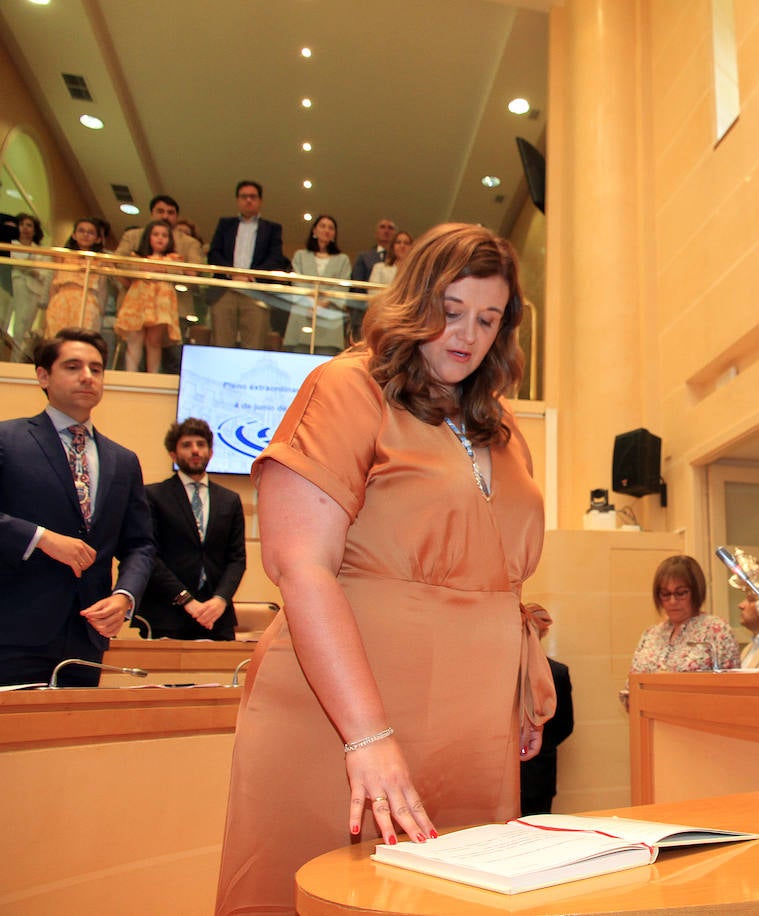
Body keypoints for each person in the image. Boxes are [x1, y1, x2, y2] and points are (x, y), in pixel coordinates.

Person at [215, 223, 554, 913]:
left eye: (488, 320)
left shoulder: (503, 424)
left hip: (470, 725)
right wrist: (366, 736)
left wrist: (523, 677)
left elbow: (502, 580)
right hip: (344, 712)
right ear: (414, 299)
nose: (467, 335)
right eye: (451, 310)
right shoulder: (348, 387)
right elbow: (301, 565)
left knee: (456, 895)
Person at [0, 328, 155, 687]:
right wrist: (40, 538)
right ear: (43, 375)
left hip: (88, 635)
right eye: (73, 366)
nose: (88, 376)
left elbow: (140, 545)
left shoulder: (123, 460)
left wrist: (124, 596)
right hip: (13, 629)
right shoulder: (8, 441)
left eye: (96, 369)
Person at [142, 418, 246, 641]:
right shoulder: (153, 496)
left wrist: (220, 600)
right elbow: (150, 556)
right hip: (167, 614)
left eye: (201, 444)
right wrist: (186, 600)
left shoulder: (230, 500)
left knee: (223, 677)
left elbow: (237, 559)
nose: (195, 450)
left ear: (210, 451)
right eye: (187, 445)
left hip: (216, 616)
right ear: (173, 454)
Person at [625, 555, 741, 693]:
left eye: (681, 593)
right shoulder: (651, 635)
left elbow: (733, 689)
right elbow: (630, 688)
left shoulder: (716, 630)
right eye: (665, 594)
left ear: (696, 592)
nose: (673, 601)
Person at [206, 180, 291, 349]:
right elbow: (214, 253)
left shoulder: (272, 228)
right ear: (238, 200)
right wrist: (232, 275)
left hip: (256, 292)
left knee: (254, 344)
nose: (248, 200)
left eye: (253, 197)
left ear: (260, 201)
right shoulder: (225, 225)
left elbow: (275, 258)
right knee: (221, 343)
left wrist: (250, 276)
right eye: (244, 196)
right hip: (225, 288)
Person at [519, 603, 574, 816]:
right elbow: (565, 726)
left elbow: (565, 725)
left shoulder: (558, 672)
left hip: (537, 770)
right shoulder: (558, 671)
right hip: (541, 768)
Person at [114, 220, 183, 373]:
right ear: (148, 237)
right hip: (138, 300)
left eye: (164, 235)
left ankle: (153, 375)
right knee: (134, 339)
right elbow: (124, 267)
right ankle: (130, 376)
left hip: (161, 302)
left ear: (170, 239)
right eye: (156, 234)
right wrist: (142, 266)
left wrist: (160, 269)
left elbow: (178, 274)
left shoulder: (174, 259)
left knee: (154, 341)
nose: (160, 238)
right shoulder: (136, 257)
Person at [285, 214, 351, 354]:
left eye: (331, 227)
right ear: (314, 230)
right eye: (322, 226)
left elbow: (342, 286)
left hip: (329, 316)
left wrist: (323, 304)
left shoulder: (342, 259)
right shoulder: (300, 255)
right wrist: (311, 302)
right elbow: (296, 281)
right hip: (304, 313)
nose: (326, 230)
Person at [45, 219, 106, 336]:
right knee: (57, 338)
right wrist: (51, 304)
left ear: (98, 238)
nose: (85, 235)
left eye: (90, 232)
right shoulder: (63, 256)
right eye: (81, 231)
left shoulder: (100, 261)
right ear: (74, 235)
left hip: (87, 303)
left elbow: (102, 289)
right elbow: (54, 283)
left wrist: (100, 311)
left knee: (81, 338)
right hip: (61, 301)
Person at [6, 213, 50, 362]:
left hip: (32, 291)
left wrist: (30, 269)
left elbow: (45, 274)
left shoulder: (42, 251)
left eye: (29, 225)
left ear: (35, 230)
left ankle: (15, 362)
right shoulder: (9, 244)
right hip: (10, 287)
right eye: (22, 224)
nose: (25, 228)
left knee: (22, 329)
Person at [114, 195, 205, 264]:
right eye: (160, 211)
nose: (165, 216)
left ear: (177, 217)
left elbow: (195, 272)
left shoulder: (190, 243)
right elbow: (116, 261)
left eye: (170, 213)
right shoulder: (132, 235)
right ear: (151, 214)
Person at [352, 217, 397, 282]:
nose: (386, 231)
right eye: (382, 227)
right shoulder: (364, 257)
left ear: (395, 234)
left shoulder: (399, 258)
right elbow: (357, 282)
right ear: (376, 233)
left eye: (390, 228)